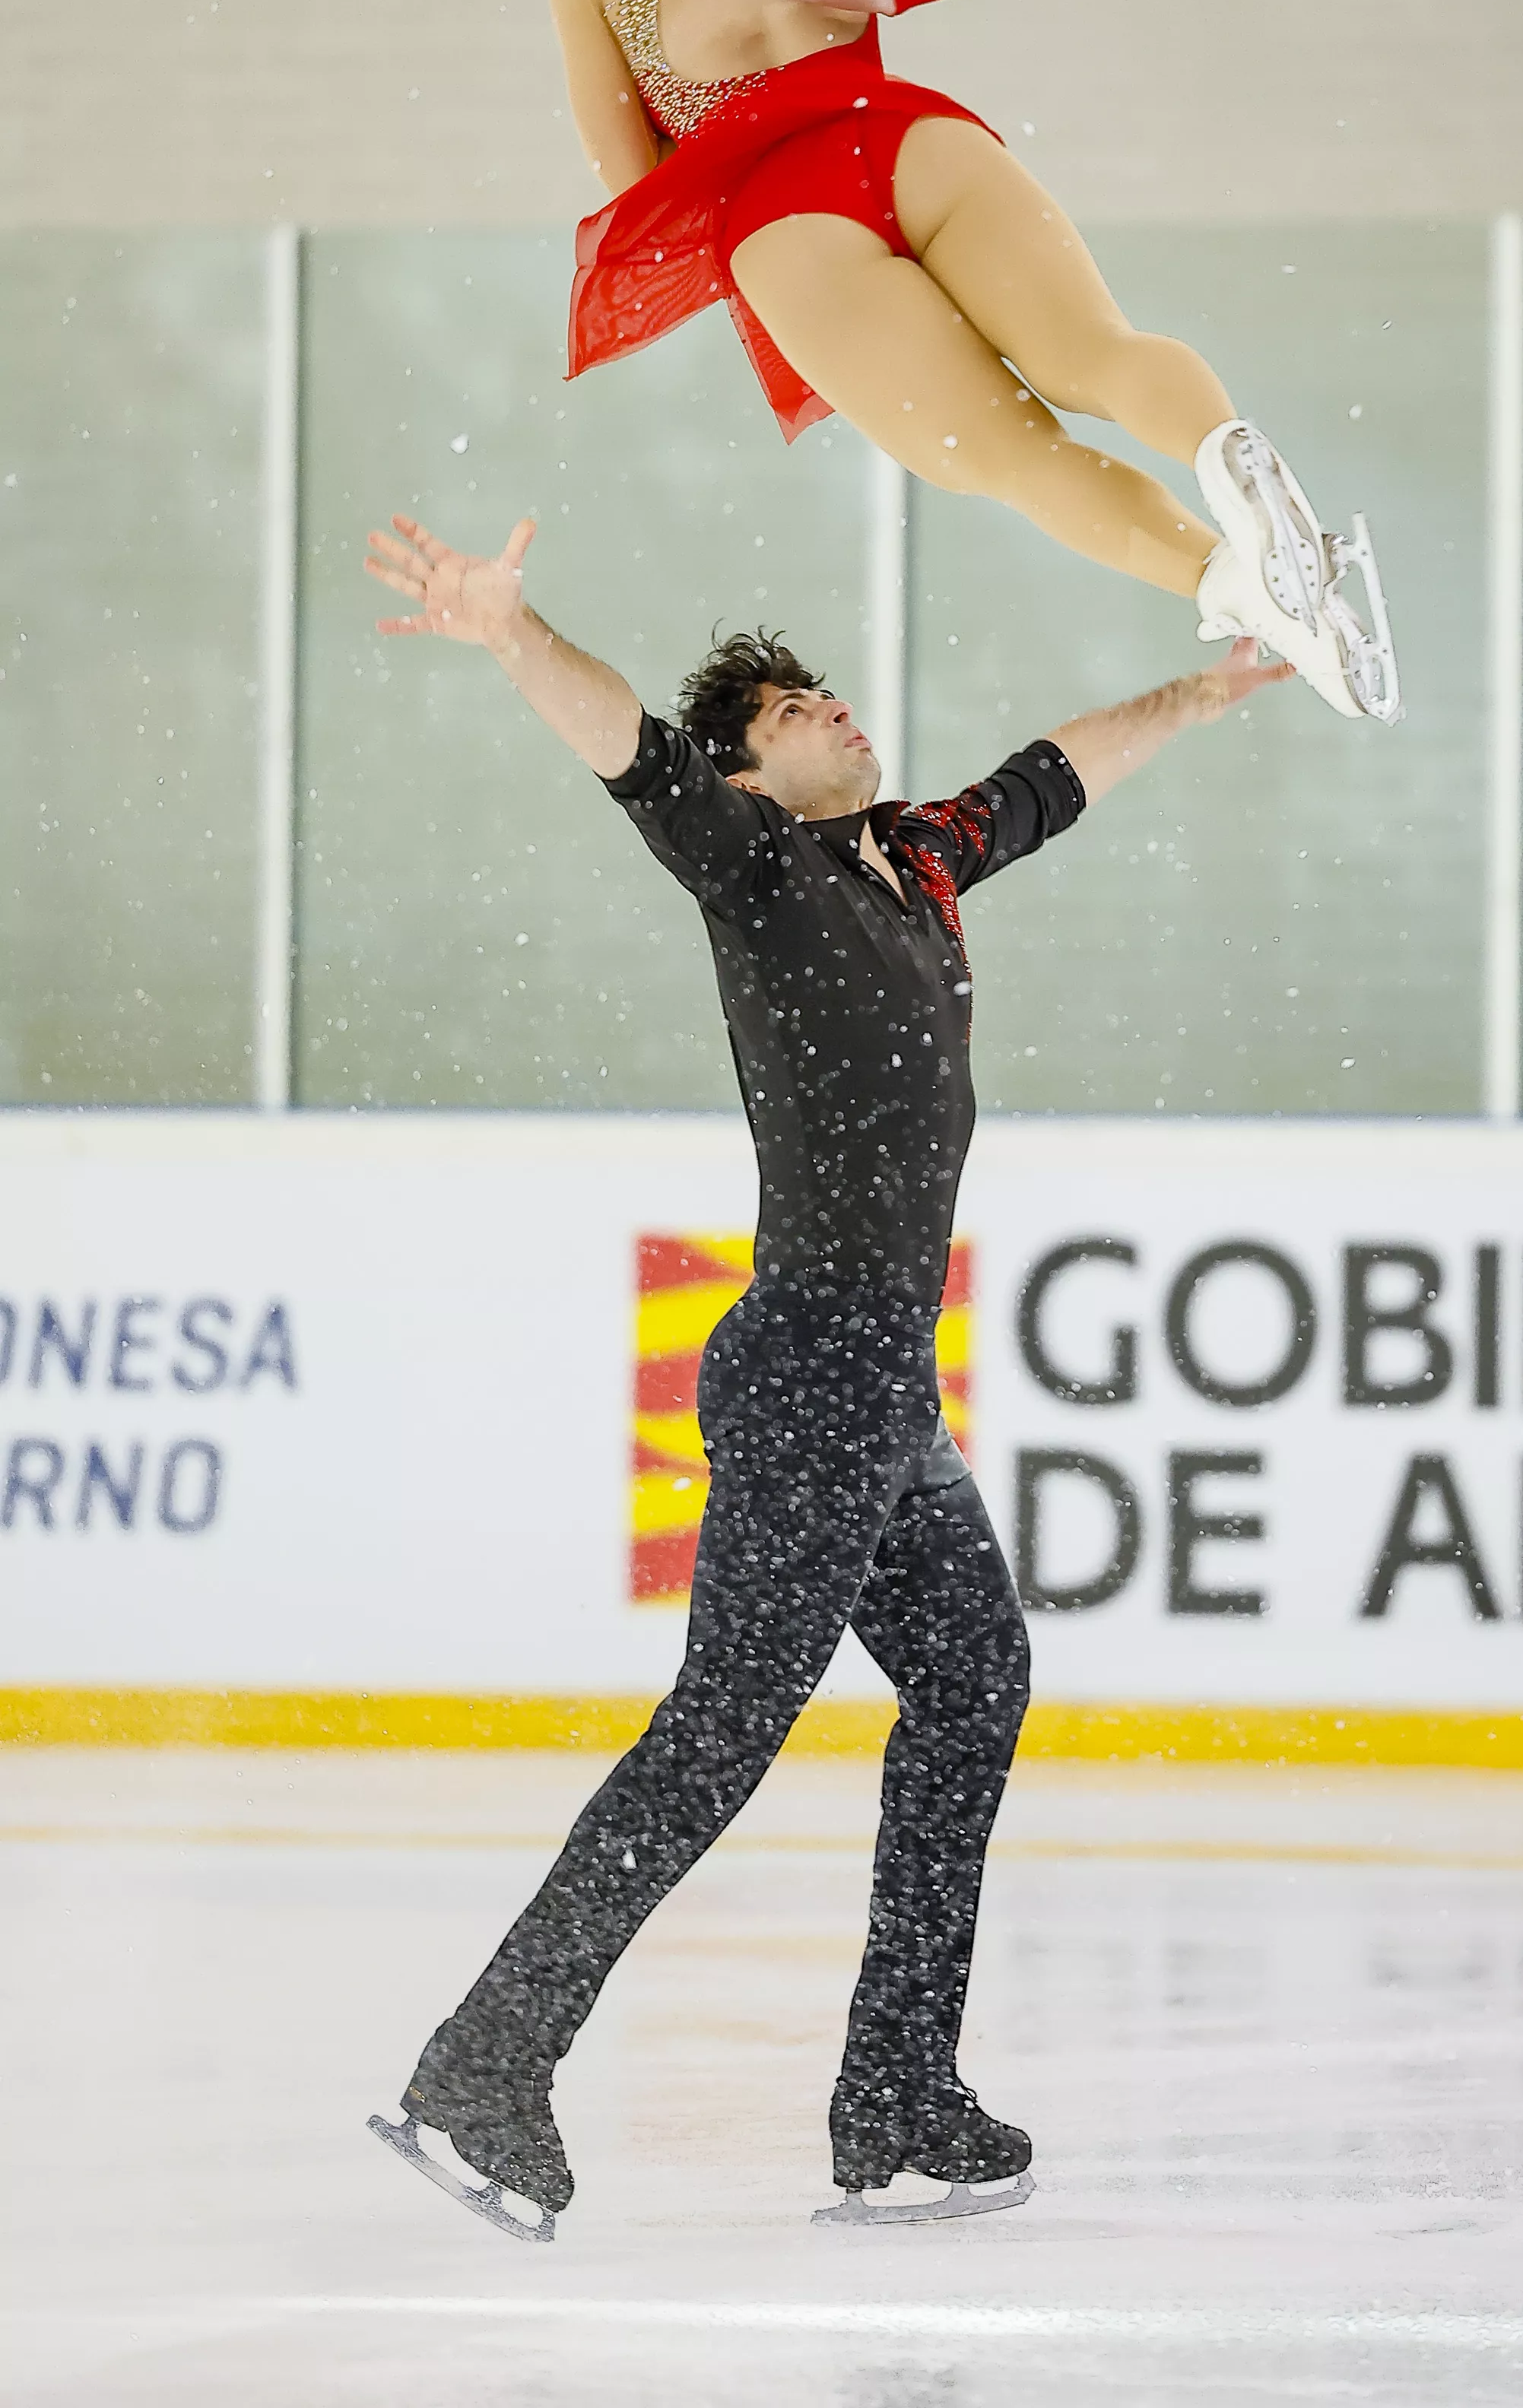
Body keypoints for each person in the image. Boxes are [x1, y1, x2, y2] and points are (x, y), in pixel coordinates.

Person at [360, 505, 1293, 2238]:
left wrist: (1210, 688)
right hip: (808, 1367)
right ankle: (488, 2061)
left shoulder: (921, 855)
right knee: (725, 1725)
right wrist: (508, 630)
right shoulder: (753, 867)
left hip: (870, 1376)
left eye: (836, 695)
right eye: (798, 709)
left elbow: (1055, 768)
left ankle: (894, 2090)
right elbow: (621, 735)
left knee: (970, 1678)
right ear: (746, 765)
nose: (841, 713)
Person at [552, 0, 1401, 729]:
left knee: (1009, 455)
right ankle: (1225, 453)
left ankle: (1232, 583)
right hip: (912, 137)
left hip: (784, 217)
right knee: (1093, 353)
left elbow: (633, 181)